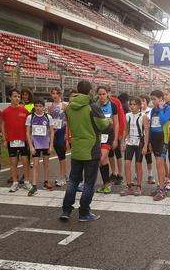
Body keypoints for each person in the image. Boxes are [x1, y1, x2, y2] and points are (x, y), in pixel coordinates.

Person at [60, 80, 111, 221]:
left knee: (73, 181)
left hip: (76, 148)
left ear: (77, 90)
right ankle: (84, 212)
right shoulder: (92, 106)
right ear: (90, 91)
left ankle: (66, 210)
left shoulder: (69, 106)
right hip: (91, 149)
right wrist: (110, 121)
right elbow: (104, 126)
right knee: (89, 183)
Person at [1, 88, 32, 193]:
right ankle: (15, 182)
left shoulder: (25, 111)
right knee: (13, 162)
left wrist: (29, 139)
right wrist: (4, 139)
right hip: (11, 140)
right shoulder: (5, 111)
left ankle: (27, 182)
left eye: (18, 96)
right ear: (10, 97)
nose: (17, 98)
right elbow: (2, 125)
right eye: (15, 96)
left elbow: (29, 126)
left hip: (23, 140)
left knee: (25, 161)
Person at [120, 96, 149, 196]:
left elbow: (146, 131)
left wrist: (145, 146)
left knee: (138, 165)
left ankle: (139, 186)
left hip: (139, 142)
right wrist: (123, 142)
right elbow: (126, 130)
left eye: (134, 104)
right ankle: (128, 186)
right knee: (127, 164)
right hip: (130, 142)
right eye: (130, 104)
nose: (132, 106)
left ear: (139, 105)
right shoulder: (127, 115)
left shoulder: (143, 116)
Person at [26, 98, 54, 196]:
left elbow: (51, 131)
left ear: (44, 107)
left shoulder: (48, 117)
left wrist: (51, 145)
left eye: (40, 106)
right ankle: (34, 186)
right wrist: (31, 146)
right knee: (36, 165)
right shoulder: (30, 117)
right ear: (34, 106)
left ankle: (46, 182)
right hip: (35, 144)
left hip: (46, 144)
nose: (38, 108)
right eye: (36, 106)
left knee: (46, 164)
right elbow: (27, 133)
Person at [149, 89, 170, 201]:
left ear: (161, 99)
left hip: (163, 139)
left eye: (154, 99)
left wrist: (161, 108)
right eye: (151, 99)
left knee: (160, 164)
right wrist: (148, 142)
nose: (152, 101)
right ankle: (160, 186)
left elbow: (163, 120)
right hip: (154, 138)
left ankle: (162, 190)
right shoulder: (153, 110)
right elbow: (150, 126)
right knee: (158, 164)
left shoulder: (168, 109)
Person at [96, 86, 119, 194]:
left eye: (103, 94)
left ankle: (107, 183)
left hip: (108, 136)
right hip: (96, 136)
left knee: (101, 158)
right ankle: (105, 184)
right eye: (99, 94)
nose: (101, 96)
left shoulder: (112, 105)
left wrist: (115, 139)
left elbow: (116, 123)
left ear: (107, 94)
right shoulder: (94, 106)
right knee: (102, 161)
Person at [47, 87, 68, 187]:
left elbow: (68, 120)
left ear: (60, 95)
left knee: (62, 154)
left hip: (62, 131)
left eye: (56, 93)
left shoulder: (64, 106)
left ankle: (62, 177)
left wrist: (66, 134)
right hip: (53, 132)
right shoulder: (50, 107)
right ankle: (64, 175)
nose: (54, 95)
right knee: (59, 154)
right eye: (53, 93)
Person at [108, 87, 126, 185]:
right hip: (106, 133)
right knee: (109, 153)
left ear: (109, 92)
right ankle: (114, 172)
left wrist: (120, 133)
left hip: (116, 131)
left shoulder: (116, 102)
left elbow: (121, 118)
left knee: (118, 153)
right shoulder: (99, 102)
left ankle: (120, 174)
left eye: (106, 93)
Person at [140, 94, 155, 184]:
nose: (141, 103)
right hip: (138, 137)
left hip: (147, 136)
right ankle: (137, 175)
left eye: (143, 101)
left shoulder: (151, 111)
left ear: (147, 102)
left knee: (148, 157)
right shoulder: (136, 111)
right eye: (140, 101)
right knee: (138, 158)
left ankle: (150, 175)